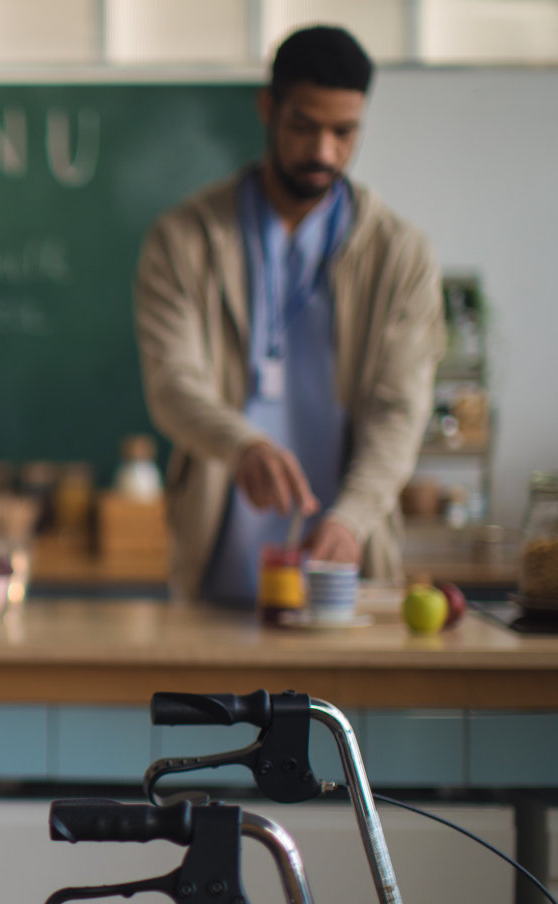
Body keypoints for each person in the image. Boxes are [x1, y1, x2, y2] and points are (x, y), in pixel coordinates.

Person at [134, 25, 444, 604]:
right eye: (305, 126)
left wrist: (351, 518)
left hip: (347, 566)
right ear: (268, 107)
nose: (323, 151)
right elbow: (172, 385)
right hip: (216, 566)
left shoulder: (401, 255)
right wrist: (242, 446)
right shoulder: (183, 241)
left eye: (344, 132)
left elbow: (399, 411)